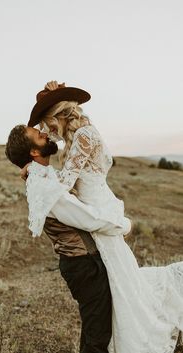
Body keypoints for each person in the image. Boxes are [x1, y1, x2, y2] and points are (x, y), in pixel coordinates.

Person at [19, 81, 183, 353]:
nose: (46, 132)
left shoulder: (84, 136)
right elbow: (63, 187)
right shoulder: (76, 136)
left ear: (57, 115)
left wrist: (33, 171)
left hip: (98, 214)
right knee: (120, 294)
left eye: (46, 124)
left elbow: (63, 184)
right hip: (94, 217)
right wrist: (34, 170)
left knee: (123, 295)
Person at [5, 125, 132, 353]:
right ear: (34, 152)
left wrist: (51, 96)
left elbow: (53, 136)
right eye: (38, 135)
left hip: (83, 263)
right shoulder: (43, 185)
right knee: (98, 337)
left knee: (95, 329)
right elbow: (88, 219)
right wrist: (124, 225)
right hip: (84, 265)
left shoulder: (41, 175)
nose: (44, 133)